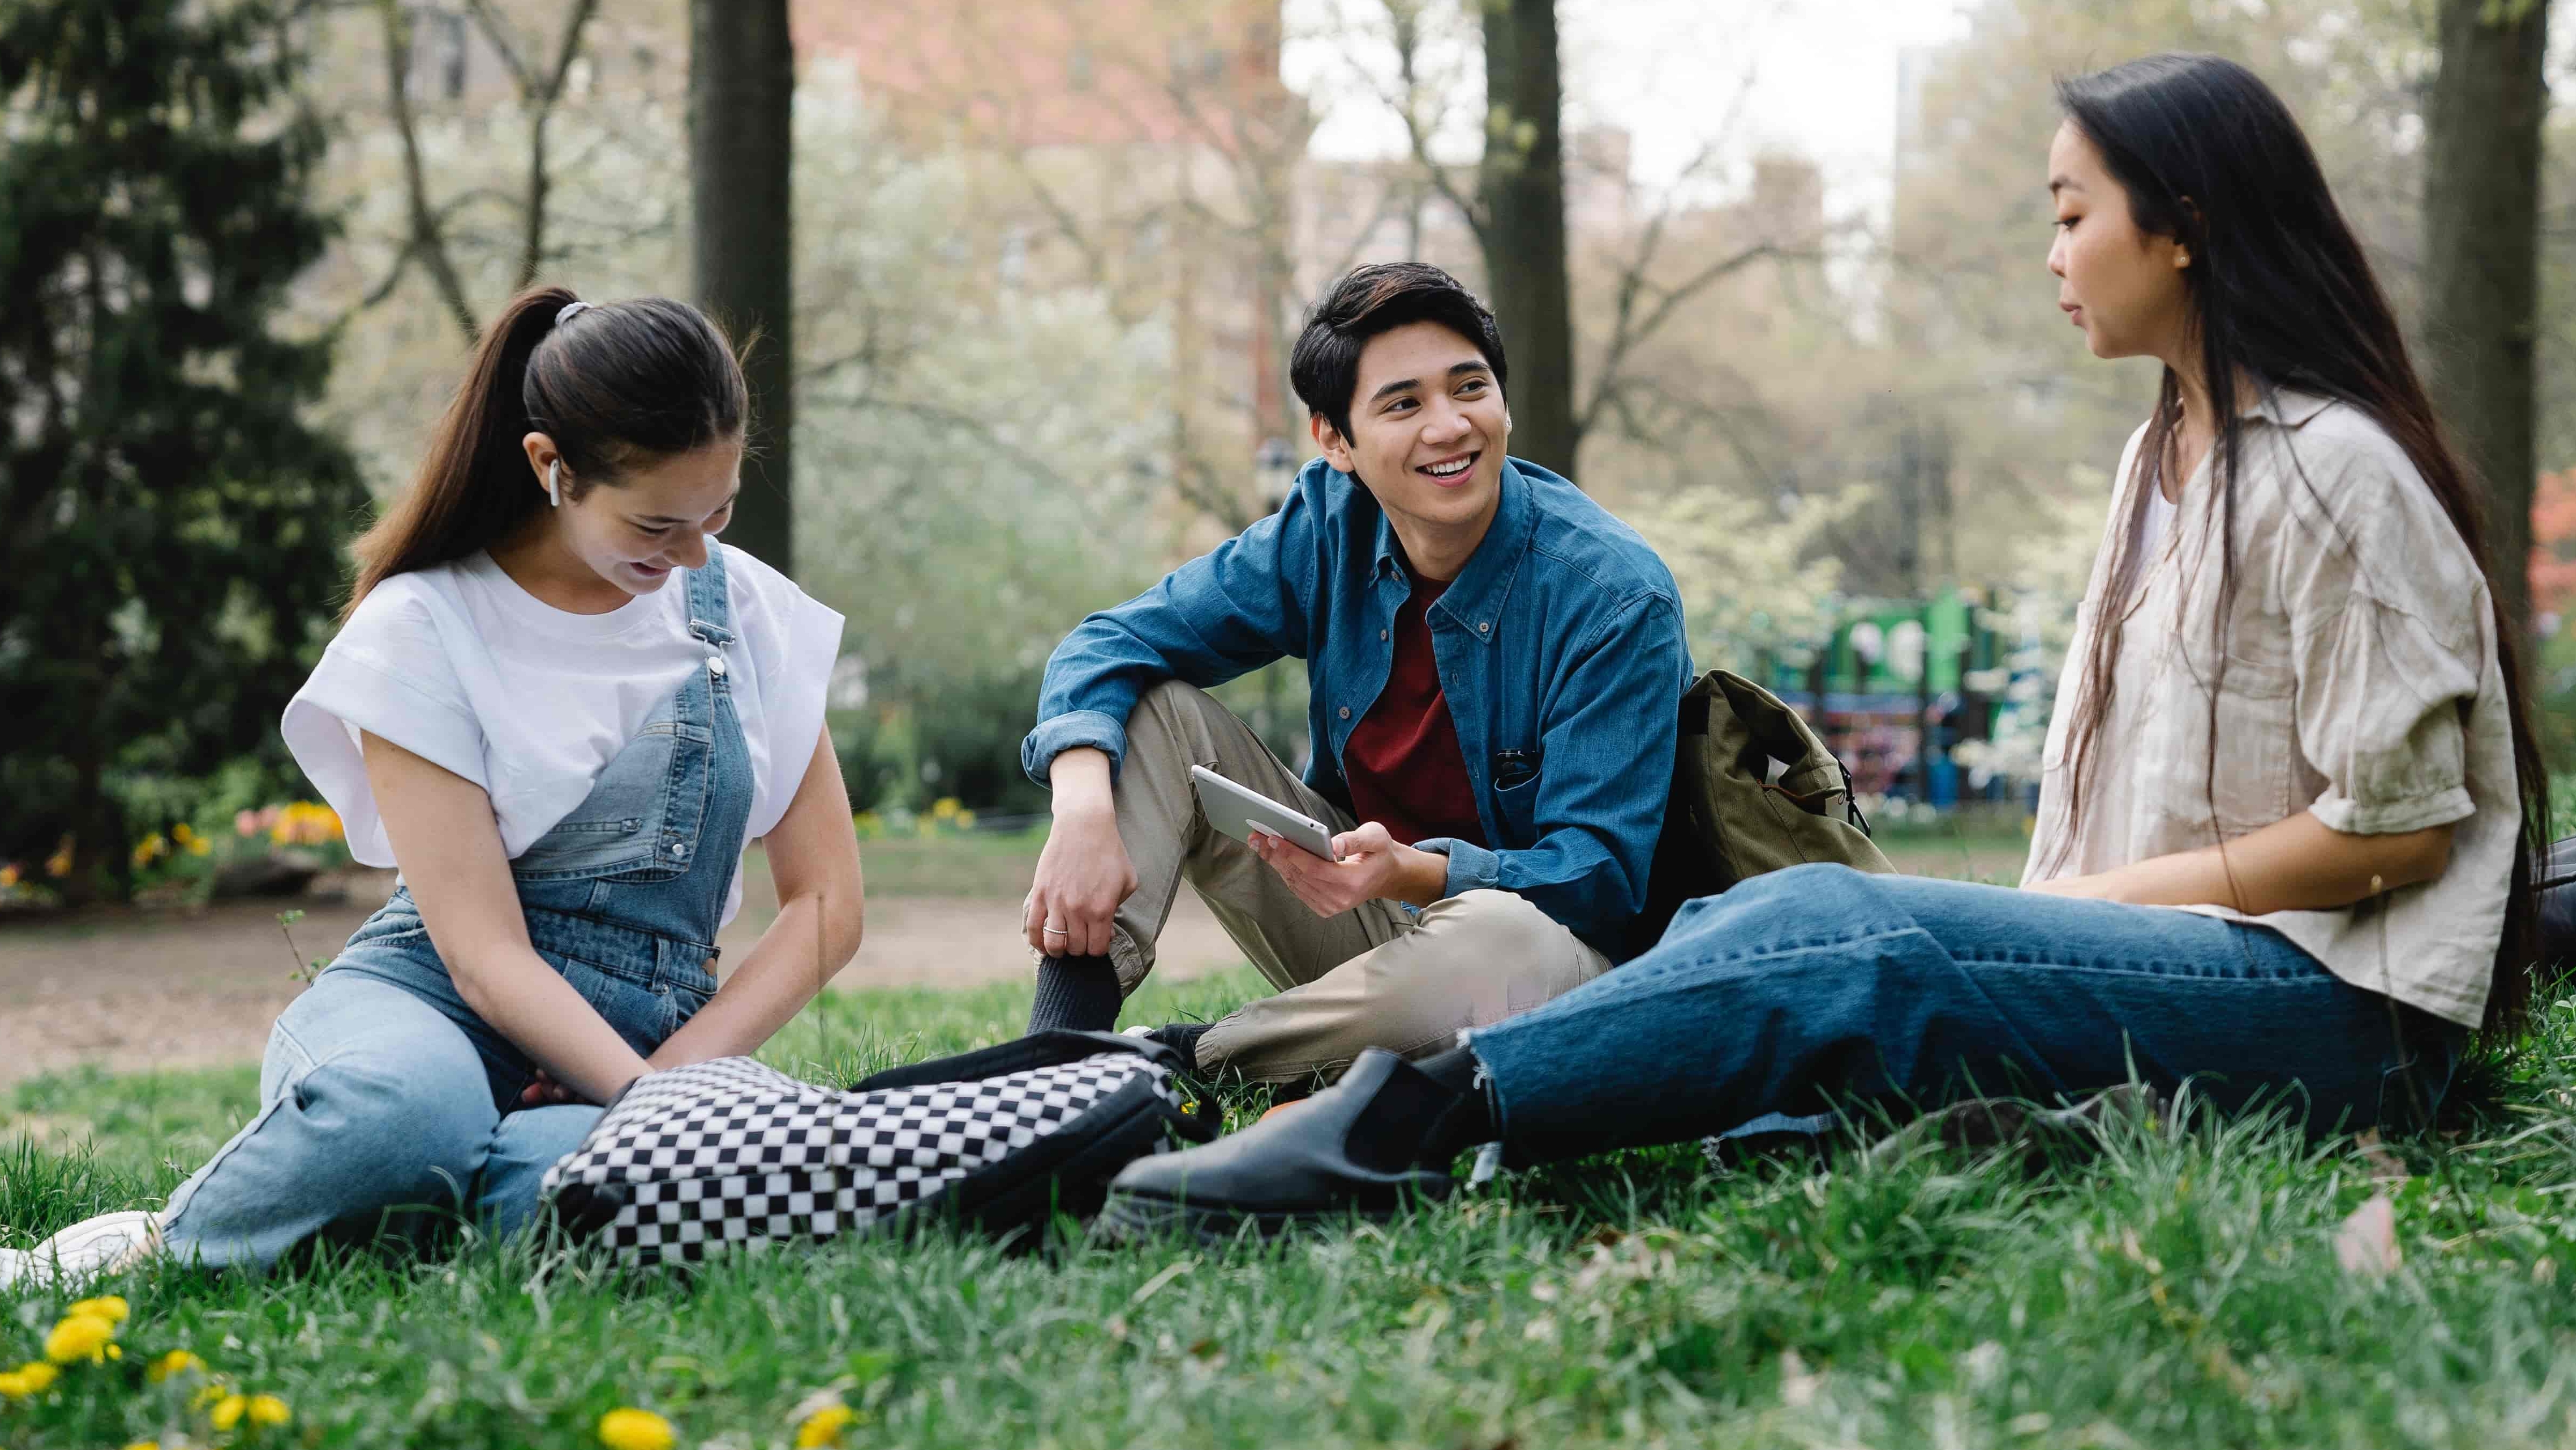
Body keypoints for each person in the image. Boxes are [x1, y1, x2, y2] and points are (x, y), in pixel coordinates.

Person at [1101, 53, 2552, 1236]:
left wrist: (2104, 898)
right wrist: (2079, 913)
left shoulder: (2333, 469)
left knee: (1835, 930)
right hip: (2172, 954)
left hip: (2332, 1006)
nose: (2049, 251)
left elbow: (2396, 833)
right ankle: (1364, 1097)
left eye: (2068, 212)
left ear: (2178, 223)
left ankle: (1396, 1124)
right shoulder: (2161, 460)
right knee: (1742, 935)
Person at [2, 288, 861, 1281]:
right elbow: (484, 956)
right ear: (551, 467)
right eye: (657, 523)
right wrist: (646, 1112)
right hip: (432, 1014)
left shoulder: (748, 612)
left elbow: (827, 905)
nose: (695, 553)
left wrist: (658, 1090)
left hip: (655, 1043)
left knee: (665, 1184)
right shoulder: (424, 627)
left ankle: (391, 1214)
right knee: (410, 1115)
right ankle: (151, 1247)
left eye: (718, 510)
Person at [1019, 263, 1692, 1085]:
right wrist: (1081, 810)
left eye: (1468, 387)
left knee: (1498, 938)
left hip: (1548, 961)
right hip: (1364, 920)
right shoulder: (1330, 524)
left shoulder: (1613, 595)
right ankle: (1046, 1061)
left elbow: (1600, 881)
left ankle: (1175, 1062)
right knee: (1151, 708)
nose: (1448, 426)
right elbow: (1109, 642)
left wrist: (1417, 868)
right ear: (1336, 442)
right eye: (1403, 404)